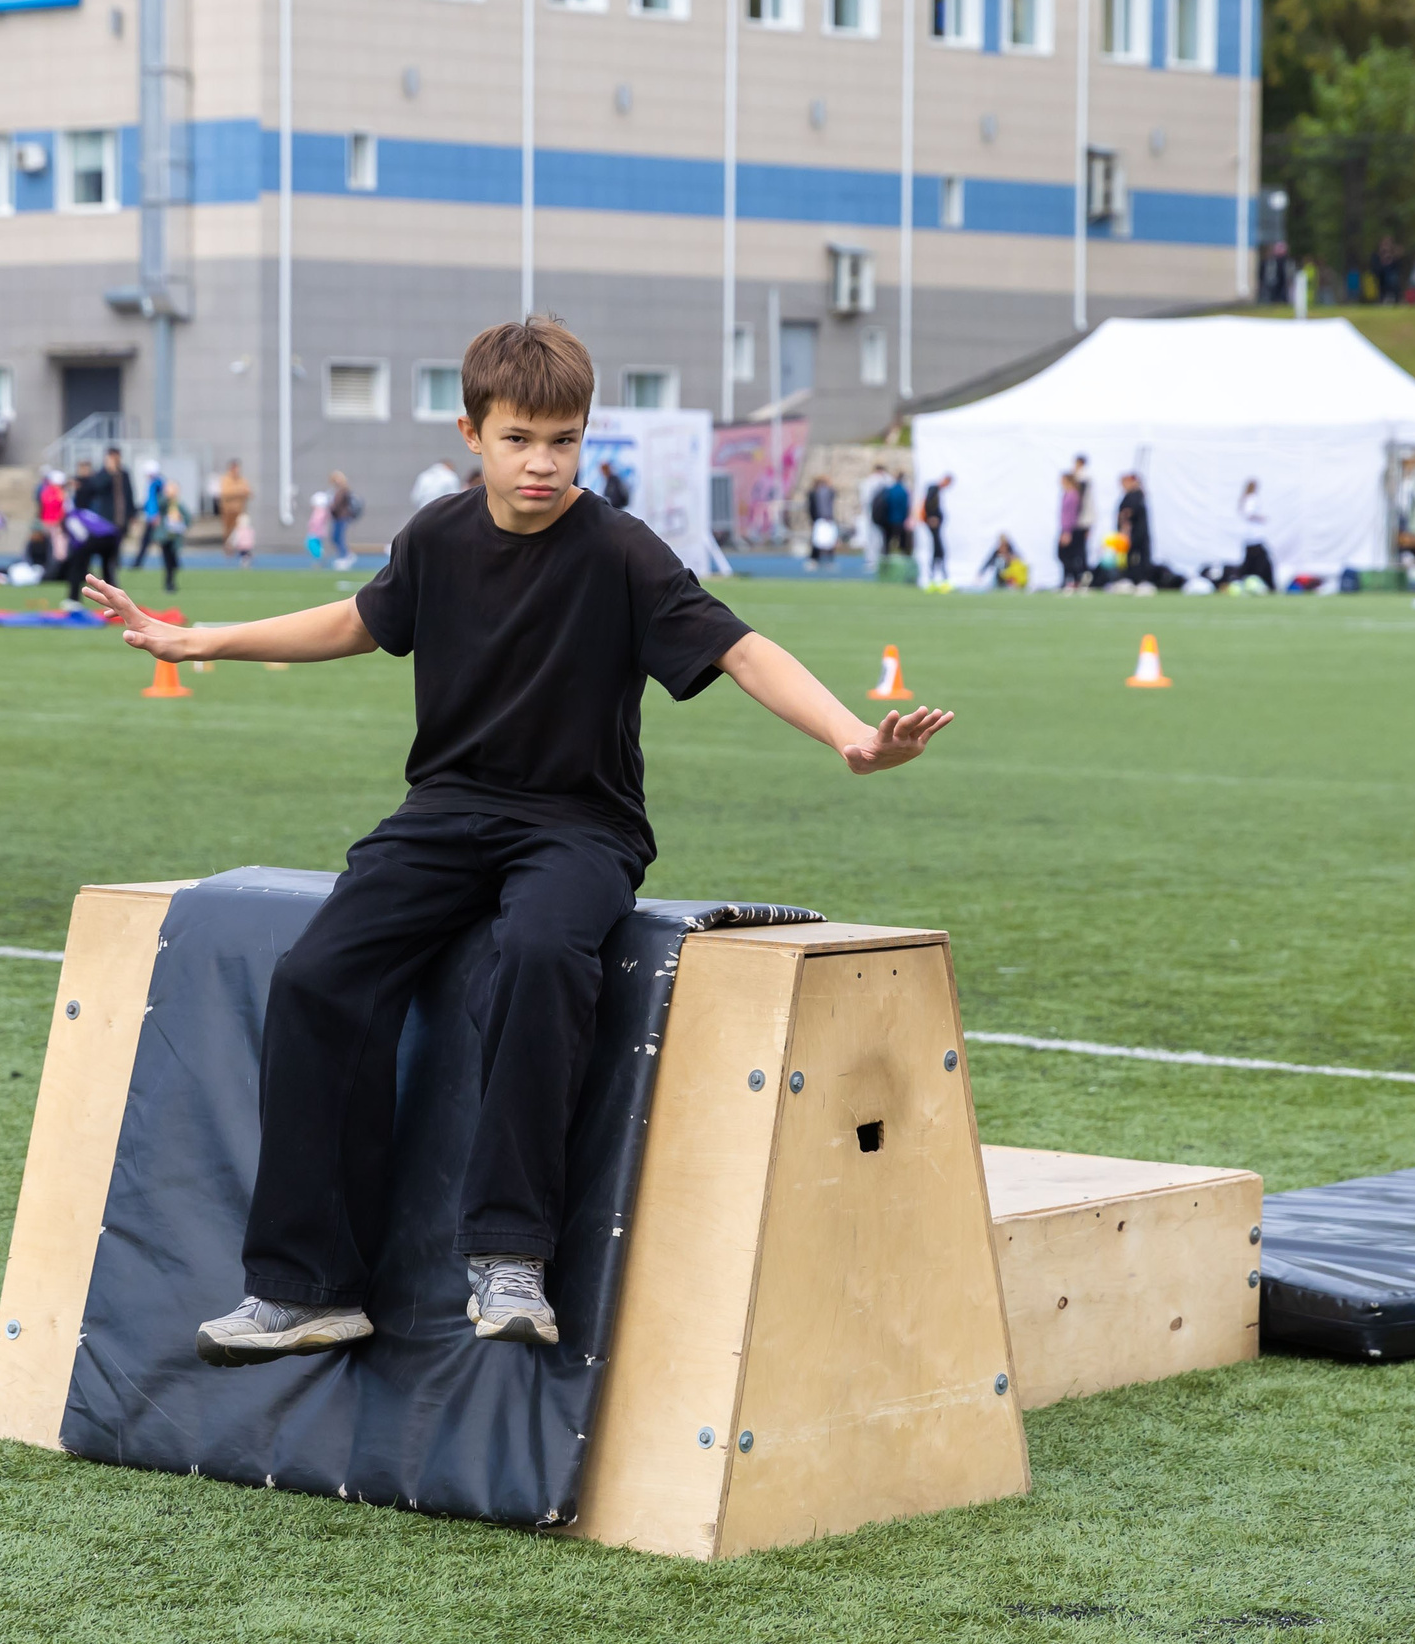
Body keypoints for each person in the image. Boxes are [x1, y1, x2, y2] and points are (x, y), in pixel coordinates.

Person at [79, 316, 951, 1366]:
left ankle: (509, 1255)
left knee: (539, 954)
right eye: (519, 439)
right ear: (471, 432)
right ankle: (309, 1287)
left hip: (579, 828)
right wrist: (200, 637)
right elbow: (360, 619)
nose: (542, 463)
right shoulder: (439, 537)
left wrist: (853, 737)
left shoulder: (622, 551)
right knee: (315, 977)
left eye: (564, 440)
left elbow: (739, 648)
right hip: (443, 817)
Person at [1116, 473, 1153, 587]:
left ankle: (1139, 580)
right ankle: (1128, 579)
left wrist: (1125, 530)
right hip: (1132, 534)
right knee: (1128, 558)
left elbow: (1127, 514)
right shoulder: (1132, 495)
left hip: (1136, 534)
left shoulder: (1136, 495)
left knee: (1137, 558)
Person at [916, 472, 950, 584]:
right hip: (933, 524)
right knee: (938, 548)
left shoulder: (936, 490)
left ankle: (938, 573)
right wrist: (932, 517)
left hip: (935, 524)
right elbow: (928, 504)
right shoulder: (934, 489)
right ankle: (935, 574)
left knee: (938, 549)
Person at [1056, 469, 1087, 589]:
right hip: (1065, 528)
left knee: (1067, 555)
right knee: (1064, 556)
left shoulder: (1073, 495)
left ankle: (1074, 579)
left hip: (1069, 529)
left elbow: (1071, 515)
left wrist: (1067, 532)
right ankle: (1069, 579)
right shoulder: (1066, 493)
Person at [217, 458, 255, 552]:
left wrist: (242, 492)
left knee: (242, 529)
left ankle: (243, 549)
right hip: (228, 511)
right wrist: (239, 492)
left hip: (240, 511)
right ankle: (228, 549)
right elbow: (225, 493)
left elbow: (249, 492)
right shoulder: (226, 480)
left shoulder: (242, 480)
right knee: (228, 530)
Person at [327, 469, 359, 569]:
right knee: (335, 537)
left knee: (339, 537)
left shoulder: (344, 490)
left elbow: (340, 503)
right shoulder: (335, 491)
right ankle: (344, 555)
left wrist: (333, 505)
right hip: (337, 517)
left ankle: (345, 556)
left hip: (342, 516)